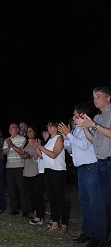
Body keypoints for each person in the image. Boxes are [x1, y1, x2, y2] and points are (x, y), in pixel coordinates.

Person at [58, 103, 107, 246]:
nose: (73, 118)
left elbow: (85, 145)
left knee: (95, 203)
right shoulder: (77, 130)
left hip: (92, 167)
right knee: (85, 203)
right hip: (81, 169)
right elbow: (71, 149)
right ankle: (88, 232)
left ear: (82, 115)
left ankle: (100, 236)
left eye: (75, 115)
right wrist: (67, 138)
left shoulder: (89, 127)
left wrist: (69, 135)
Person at [77, 86, 111, 247]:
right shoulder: (97, 118)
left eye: (98, 96)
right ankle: (100, 237)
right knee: (101, 203)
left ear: (108, 97)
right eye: (94, 97)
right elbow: (93, 140)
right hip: (101, 163)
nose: (95, 99)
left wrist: (94, 126)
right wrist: (85, 128)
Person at [30, 120, 68, 235]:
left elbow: (54, 154)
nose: (49, 128)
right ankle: (55, 223)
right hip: (48, 171)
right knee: (51, 198)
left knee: (60, 198)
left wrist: (40, 147)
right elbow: (44, 157)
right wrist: (36, 148)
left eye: (51, 126)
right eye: (48, 126)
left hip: (58, 171)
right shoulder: (49, 140)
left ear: (57, 128)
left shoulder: (59, 139)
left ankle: (65, 224)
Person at [2, 123, 30, 216]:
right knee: (11, 189)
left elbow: (21, 151)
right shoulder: (7, 140)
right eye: (9, 128)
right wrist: (9, 145)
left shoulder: (22, 139)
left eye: (12, 127)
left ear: (17, 130)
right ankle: (14, 209)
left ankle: (25, 209)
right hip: (9, 167)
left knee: (21, 189)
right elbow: (3, 152)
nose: (10, 129)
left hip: (19, 166)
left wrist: (12, 144)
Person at [20, 125, 39, 219]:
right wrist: (24, 155)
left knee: (35, 193)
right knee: (29, 193)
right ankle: (32, 210)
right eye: (27, 132)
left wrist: (29, 156)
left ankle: (37, 212)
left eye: (30, 131)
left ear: (34, 132)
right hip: (26, 171)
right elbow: (23, 153)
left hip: (35, 171)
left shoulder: (37, 142)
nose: (28, 133)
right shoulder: (25, 142)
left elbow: (39, 157)